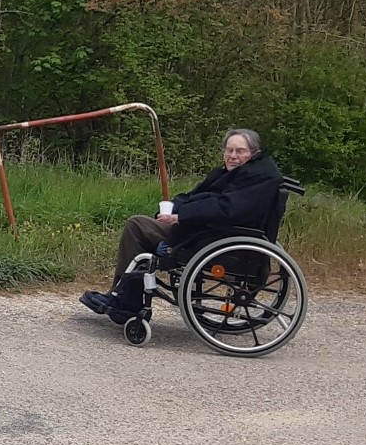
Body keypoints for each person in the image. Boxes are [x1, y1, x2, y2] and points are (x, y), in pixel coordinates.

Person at [80, 128, 284, 323]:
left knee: (137, 227)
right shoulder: (237, 173)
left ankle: (126, 302)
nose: (232, 155)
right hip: (205, 232)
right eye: (229, 150)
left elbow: (226, 209)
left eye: (240, 151)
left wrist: (181, 216)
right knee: (141, 226)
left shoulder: (257, 178)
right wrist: (175, 208)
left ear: (253, 153)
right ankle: (125, 296)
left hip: (214, 239)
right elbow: (199, 196)